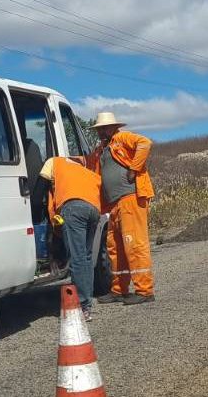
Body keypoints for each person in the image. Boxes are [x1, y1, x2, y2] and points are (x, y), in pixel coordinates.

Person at [87, 112, 156, 306]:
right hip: (115, 204)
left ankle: (144, 291)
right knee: (115, 247)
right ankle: (119, 289)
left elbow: (145, 143)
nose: (101, 132)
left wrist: (134, 168)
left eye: (104, 128)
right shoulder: (102, 148)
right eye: (99, 129)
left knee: (134, 245)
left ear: (112, 127)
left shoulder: (122, 137)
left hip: (130, 199)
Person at [34, 156, 102, 321]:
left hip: (73, 208)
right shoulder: (83, 169)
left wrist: (34, 216)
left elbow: (38, 192)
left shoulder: (53, 162)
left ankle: (83, 306)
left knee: (77, 258)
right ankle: (87, 302)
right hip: (94, 209)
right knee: (85, 257)